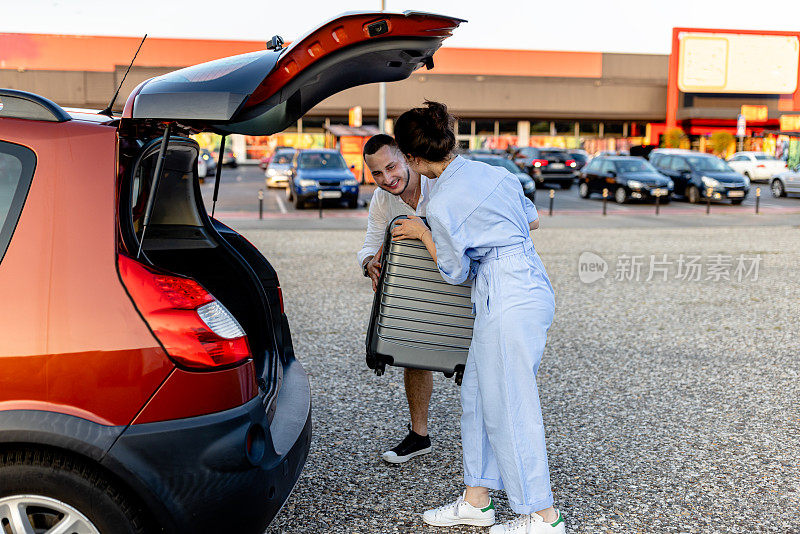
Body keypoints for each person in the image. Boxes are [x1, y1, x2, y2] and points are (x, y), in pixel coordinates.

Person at [390, 101, 565, 534]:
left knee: (509, 402)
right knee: (477, 395)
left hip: (505, 290)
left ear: (413, 158)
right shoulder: (493, 171)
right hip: (523, 280)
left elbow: (454, 270)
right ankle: (476, 499)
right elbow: (533, 219)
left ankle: (542, 516)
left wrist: (423, 231)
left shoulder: (444, 200)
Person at [357, 134, 434, 464]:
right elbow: (369, 243)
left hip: (465, 285)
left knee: (478, 363)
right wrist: (368, 264)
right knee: (414, 355)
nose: (387, 179)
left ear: (407, 157)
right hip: (417, 288)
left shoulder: (438, 183)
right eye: (377, 174)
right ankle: (419, 435)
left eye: (391, 167)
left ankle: (492, 440)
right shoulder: (382, 199)